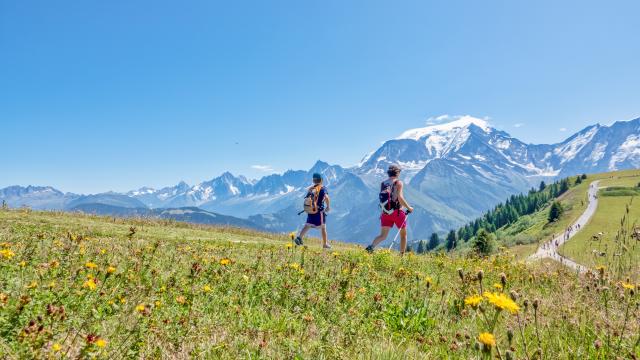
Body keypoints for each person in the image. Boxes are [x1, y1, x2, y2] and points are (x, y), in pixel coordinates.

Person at [365, 164, 414, 255]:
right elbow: (400, 198)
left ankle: (370, 248)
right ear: (397, 173)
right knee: (403, 235)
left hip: (385, 212)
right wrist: (409, 208)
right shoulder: (398, 183)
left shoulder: (383, 183)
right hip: (397, 212)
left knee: (382, 235)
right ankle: (401, 255)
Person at [294, 173, 331, 249]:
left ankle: (299, 237)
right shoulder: (323, 188)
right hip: (319, 211)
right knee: (323, 227)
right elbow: (326, 197)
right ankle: (325, 244)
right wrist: (328, 206)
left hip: (310, 210)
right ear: (321, 180)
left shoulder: (311, 188)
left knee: (308, 225)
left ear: (313, 180)